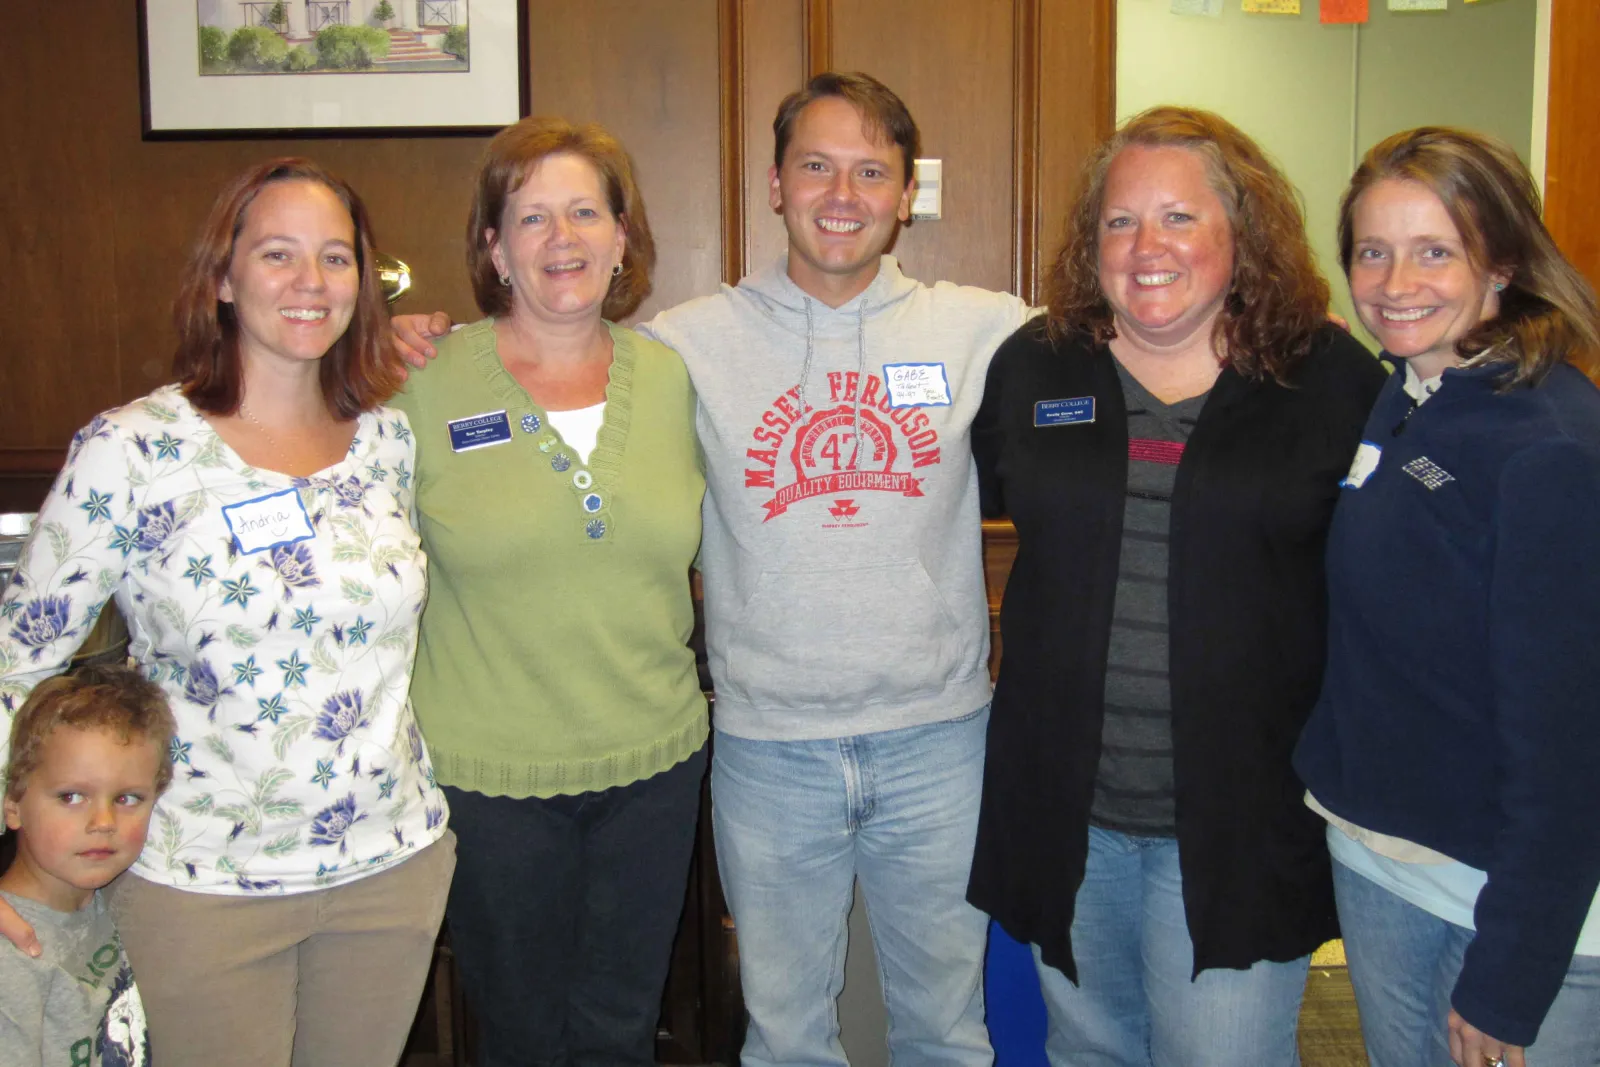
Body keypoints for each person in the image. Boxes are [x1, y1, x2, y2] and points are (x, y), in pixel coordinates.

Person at [393, 72, 1034, 1065]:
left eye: (871, 171)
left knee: (947, 1027)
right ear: (774, 184)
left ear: (907, 193)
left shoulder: (985, 328)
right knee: (783, 1033)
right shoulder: (682, 347)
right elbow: (537, 368)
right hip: (768, 747)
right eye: (815, 165)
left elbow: (1129, 336)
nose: (841, 193)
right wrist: (406, 337)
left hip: (937, 740)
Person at [0, 158, 455, 1067]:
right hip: (203, 882)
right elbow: (19, 657)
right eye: (278, 253)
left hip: (390, 866)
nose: (309, 283)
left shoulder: (387, 439)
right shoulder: (132, 449)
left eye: (336, 258)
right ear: (223, 275)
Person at [965, 106, 1386, 1067]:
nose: (1146, 247)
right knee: (1087, 1051)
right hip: (1068, 815)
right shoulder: (1037, 365)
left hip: (1244, 825)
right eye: (1120, 221)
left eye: (1180, 218)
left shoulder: (1324, 379)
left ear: (1243, 231)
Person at [387, 117, 708, 1066]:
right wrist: (372, 332)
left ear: (621, 236)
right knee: (522, 1037)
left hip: (653, 768)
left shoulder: (675, 378)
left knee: (619, 1031)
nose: (561, 238)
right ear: (494, 246)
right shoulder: (420, 383)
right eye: (531, 218)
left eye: (584, 212)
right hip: (489, 783)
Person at [1294, 128, 1600, 1067]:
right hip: (1385, 858)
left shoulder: (1546, 440)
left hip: (1511, 903)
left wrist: (1513, 970)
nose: (1395, 282)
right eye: (1372, 251)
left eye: (1436, 250)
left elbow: (1569, 740)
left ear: (1501, 260)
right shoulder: (1410, 390)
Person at [1, 665, 175, 1067]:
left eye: (127, 799)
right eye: (72, 796)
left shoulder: (108, 904)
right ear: (13, 805)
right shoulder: (11, 957)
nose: (103, 823)